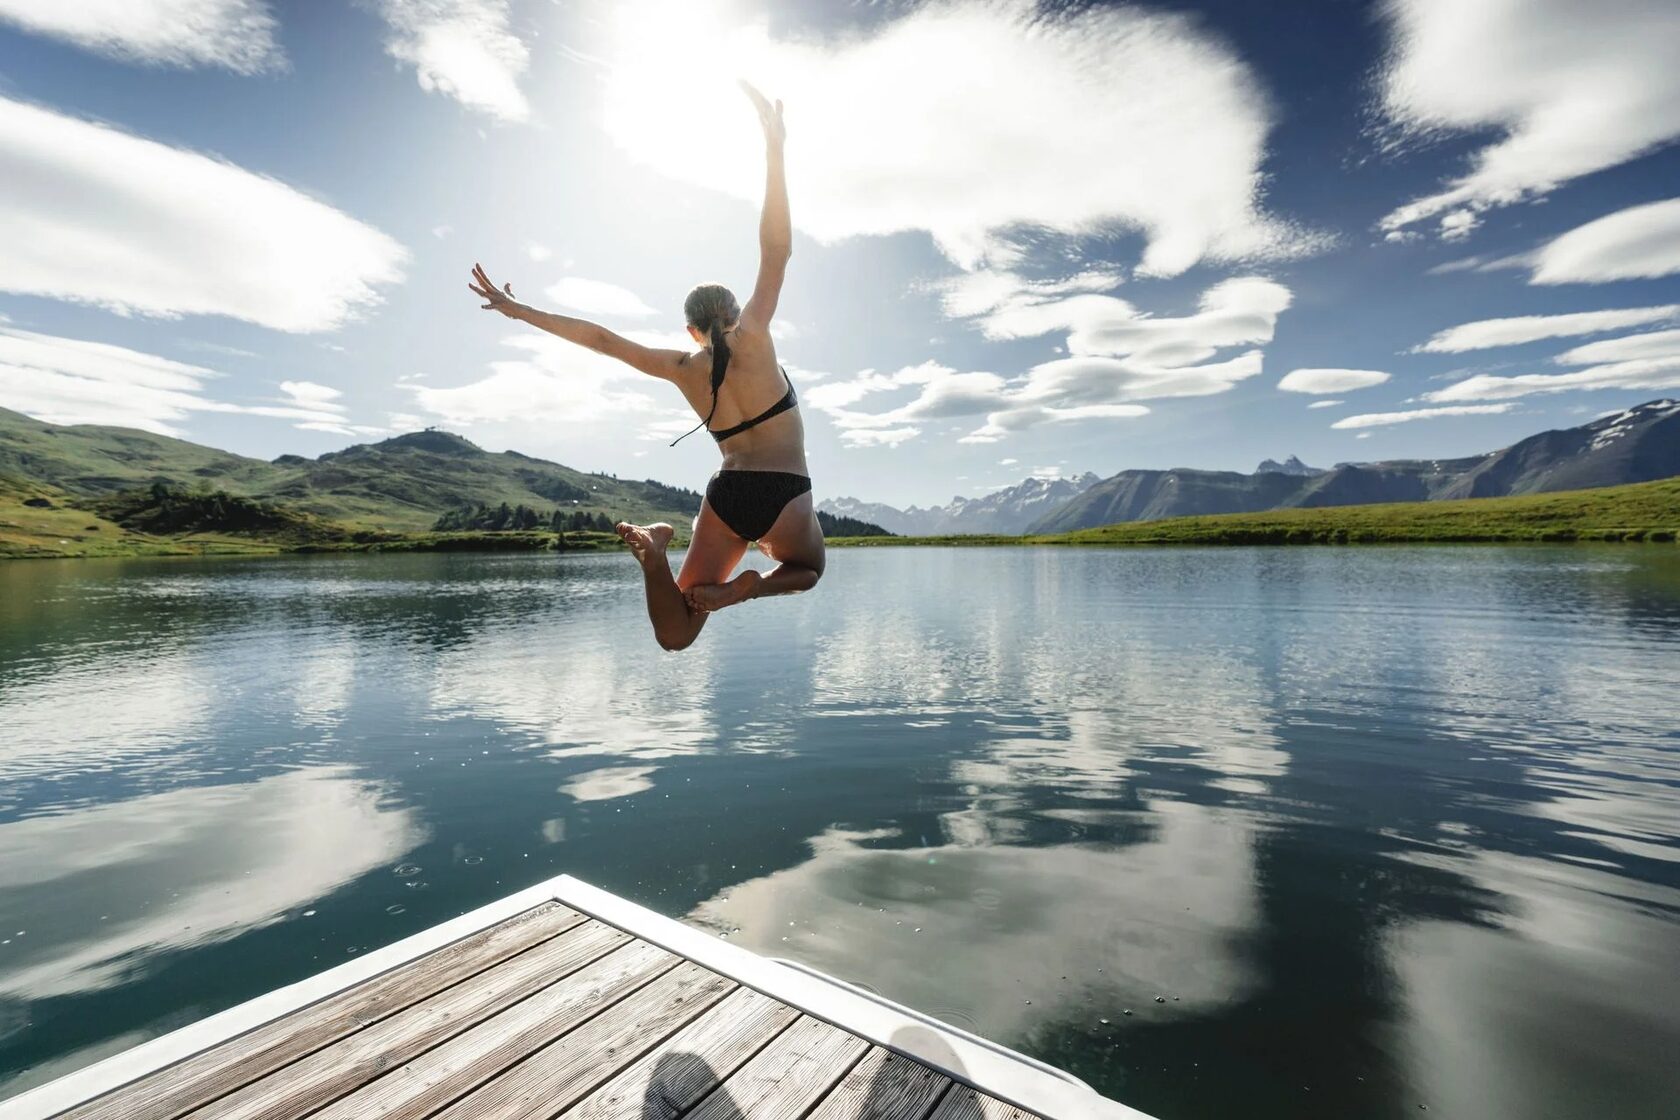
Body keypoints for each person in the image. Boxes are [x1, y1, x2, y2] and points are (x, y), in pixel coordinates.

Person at [467, 81, 823, 651]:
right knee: (808, 569)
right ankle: (749, 588)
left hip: (727, 492)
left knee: (676, 635)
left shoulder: (680, 365)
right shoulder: (755, 337)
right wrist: (774, 149)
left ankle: (655, 552)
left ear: (691, 330)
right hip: (785, 491)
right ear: (735, 313)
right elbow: (775, 250)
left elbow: (601, 339)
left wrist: (519, 310)